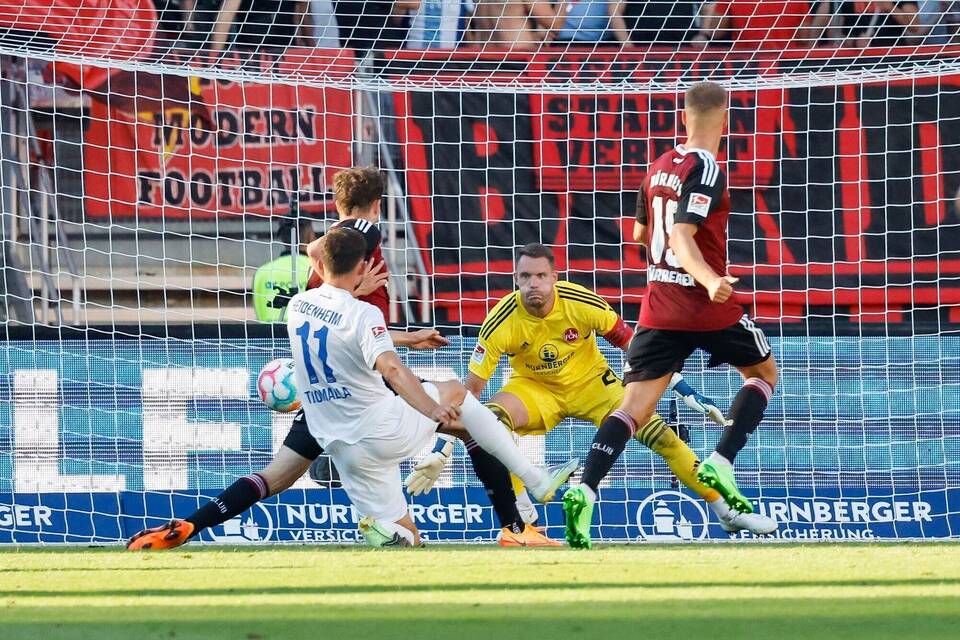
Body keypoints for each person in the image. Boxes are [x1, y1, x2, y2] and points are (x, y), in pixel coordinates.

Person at [126, 166, 447, 550]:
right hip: (359, 395)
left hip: (321, 393)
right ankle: (513, 519)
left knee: (274, 477)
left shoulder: (328, 264)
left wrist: (401, 333)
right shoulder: (362, 237)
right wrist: (356, 288)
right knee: (458, 405)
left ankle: (190, 526)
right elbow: (351, 317)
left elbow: (332, 297)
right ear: (377, 205)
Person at [562, 81, 780, 549]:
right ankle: (722, 460)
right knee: (763, 371)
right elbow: (681, 235)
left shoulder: (659, 166)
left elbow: (641, 233)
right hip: (702, 305)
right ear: (725, 119)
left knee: (632, 410)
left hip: (657, 306)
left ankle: (585, 487)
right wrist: (708, 279)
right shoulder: (707, 167)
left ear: (683, 116)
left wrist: (673, 258)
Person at [465, 243, 775, 546]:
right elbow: (469, 397)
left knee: (664, 438)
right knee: (491, 421)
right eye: (525, 277)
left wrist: (680, 386)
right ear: (515, 279)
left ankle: (726, 511)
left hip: (593, 386)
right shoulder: (500, 321)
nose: (533, 283)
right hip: (535, 390)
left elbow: (632, 344)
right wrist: (443, 449)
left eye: (541, 276)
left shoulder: (580, 301)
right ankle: (523, 521)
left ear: (554, 277)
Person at [286, 227, 578, 546]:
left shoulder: (299, 305)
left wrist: (344, 275)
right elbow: (394, 370)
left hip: (341, 446)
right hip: (379, 430)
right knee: (455, 390)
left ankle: (390, 532)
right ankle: (536, 480)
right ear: (361, 267)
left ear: (321, 264)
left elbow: (318, 256)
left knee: (410, 538)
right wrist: (434, 410)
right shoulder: (363, 313)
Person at [252, 218, 317, 323]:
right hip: (305, 336)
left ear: (282, 237)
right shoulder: (318, 269)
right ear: (310, 235)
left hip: (271, 336)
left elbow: (259, 312)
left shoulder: (262, 272)